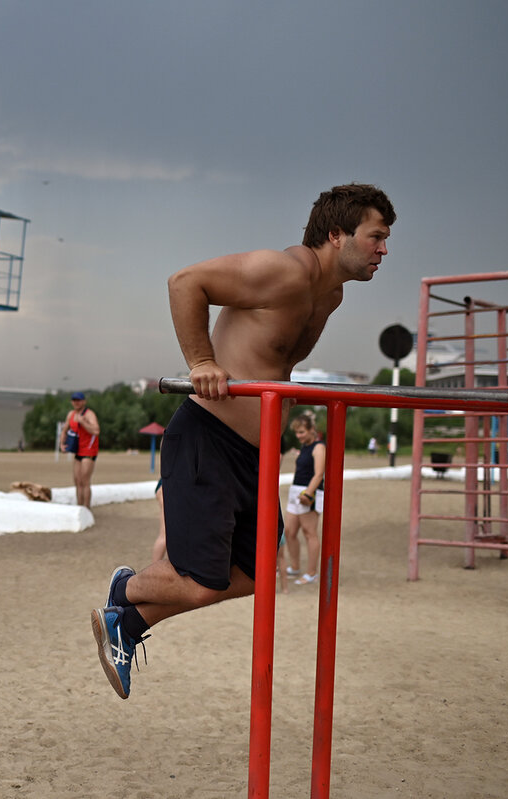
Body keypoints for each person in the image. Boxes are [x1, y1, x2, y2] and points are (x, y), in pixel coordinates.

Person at [91, 183, 395, 699]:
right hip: (208, 436)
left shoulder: (332, 295)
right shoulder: (285, 270)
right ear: (337, 233)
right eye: (376, 237)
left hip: (254, 455)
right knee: (201, 579)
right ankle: (126, 589)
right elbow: (185, 282)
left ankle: (129, 623)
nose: (383, 250)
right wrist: (202, 362)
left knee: (256, 575)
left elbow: (271, 355)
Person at [283, 412, 326, 585]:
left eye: (301, 432)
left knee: (310, 533)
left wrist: (308, 494)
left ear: (311, 430)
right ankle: (295, 567)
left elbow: (319, 474)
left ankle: (311, 573)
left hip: (309, 493)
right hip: (296, 491)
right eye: (297, 433)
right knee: (289, 532)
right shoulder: (305, 447)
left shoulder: (319, 447)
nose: (298, 435)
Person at [64, 391, 100, 507]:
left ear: (84, 401)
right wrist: (62, 444)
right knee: (77, 480)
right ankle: (79, 507)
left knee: (85, 480)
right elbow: (65, 430)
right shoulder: (71, 414)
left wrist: (83, 422)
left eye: (79, 400)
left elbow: (96, 431)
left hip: (89, 450)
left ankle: (87, 507)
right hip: (78, 450)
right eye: (74, 400)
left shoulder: (89, 414)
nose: (76, 403)